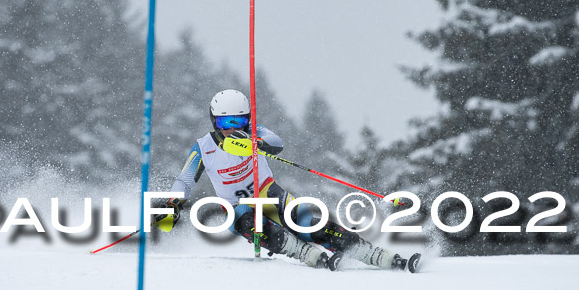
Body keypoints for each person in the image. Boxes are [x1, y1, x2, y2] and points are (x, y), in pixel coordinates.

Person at [155, 89, 419, 272]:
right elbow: (185, 180)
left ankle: (376, 255)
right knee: (250, 223)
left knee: (308, 225)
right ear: (214, 121)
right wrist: (172, 203)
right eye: (226, 121)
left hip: (268, 191)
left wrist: (256, 143)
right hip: (236, 205)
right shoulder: (203, 147)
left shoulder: (253, 131)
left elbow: (276, 142)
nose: (233, 127)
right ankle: (304, 253)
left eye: (240, 120)